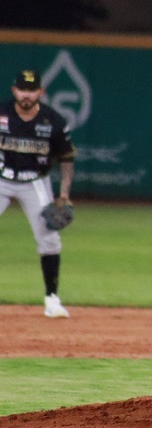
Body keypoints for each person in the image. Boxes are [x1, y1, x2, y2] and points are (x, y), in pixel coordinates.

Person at [0, 70, 76, 318]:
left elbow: (66, 158)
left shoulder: (52, 120)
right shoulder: (2, 114)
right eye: (22, 89)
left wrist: (63, 194)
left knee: (49, 240)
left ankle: (52, 299)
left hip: (35, 181)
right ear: (14, 91)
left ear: (40, 92)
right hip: (1, 177)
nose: (26, 94)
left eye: (32, 90)